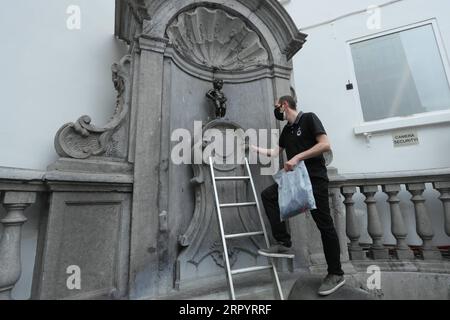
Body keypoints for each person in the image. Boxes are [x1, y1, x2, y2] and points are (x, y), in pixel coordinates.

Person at [251, 95, 345, 296]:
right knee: (268, 196)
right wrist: (252, 148)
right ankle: (284, 242)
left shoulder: (309, 118)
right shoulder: (286, 130)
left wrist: (297, 157)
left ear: (285, 105)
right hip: (295, 181)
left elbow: (325, 144)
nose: (276, 110)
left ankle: (336, 273)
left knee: (324, 224)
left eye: (277, 106)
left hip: (314, 180)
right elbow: (275, 152)